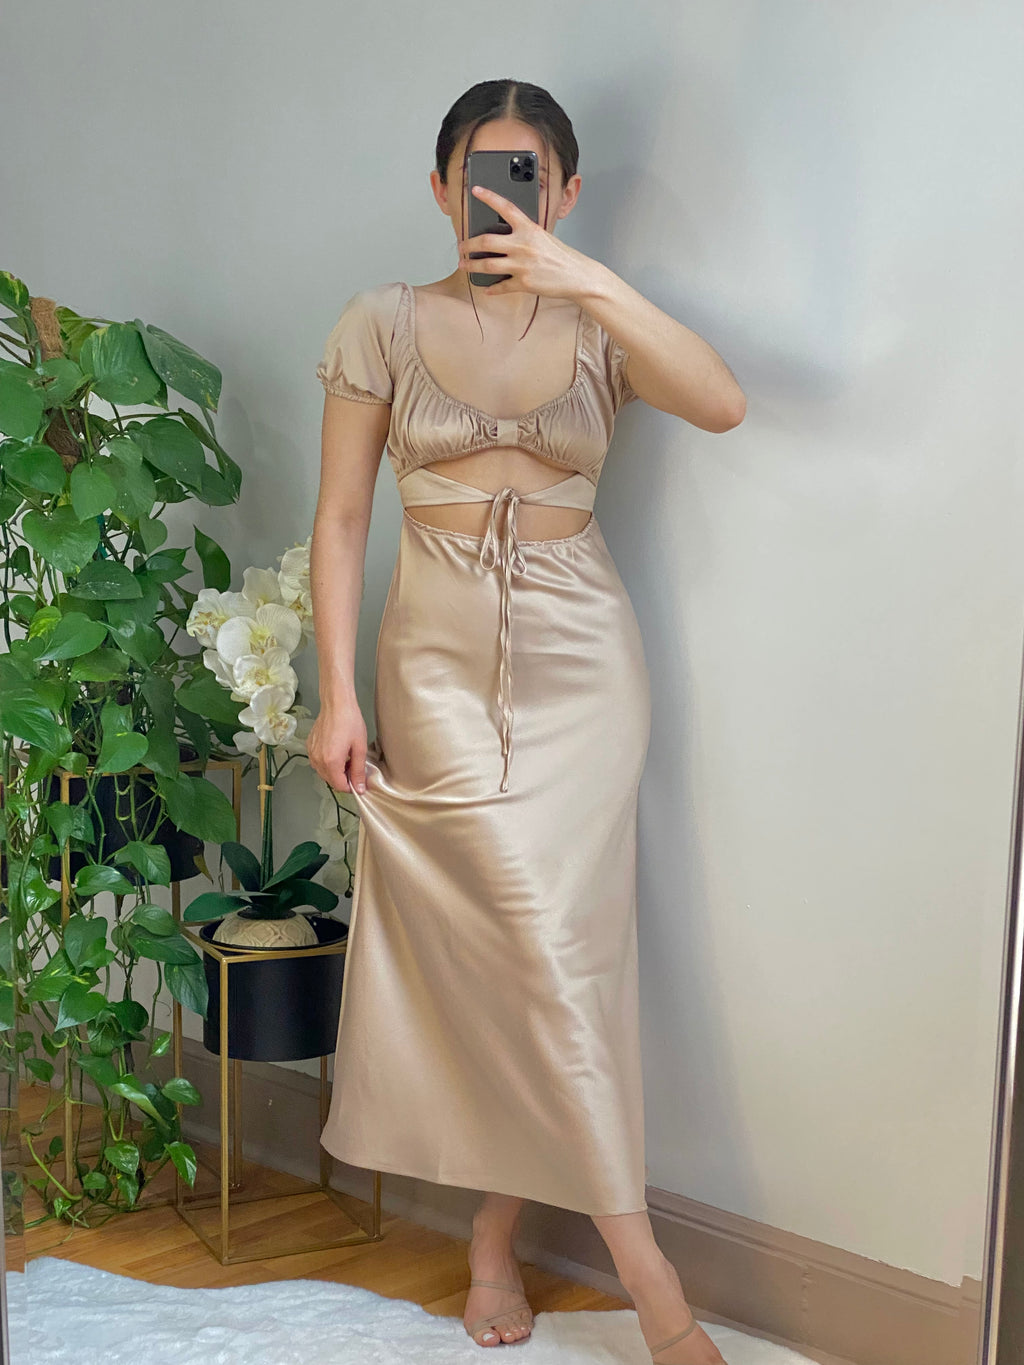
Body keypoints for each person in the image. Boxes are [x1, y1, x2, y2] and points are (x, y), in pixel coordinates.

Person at [307, 78, 745, 1364]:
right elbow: (342, 517)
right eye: (479, 178)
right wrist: (337, 693)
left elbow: (720, 400)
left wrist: (583, 277)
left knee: (559, 959)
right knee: (525, 953)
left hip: (583, 661)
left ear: (562, 190)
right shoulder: (382, 321)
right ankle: (649, 1277)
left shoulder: (602, 323)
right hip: (434, 659)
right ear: (441, 186)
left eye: (529, 180)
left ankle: (496, 1239)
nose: (500, 201)